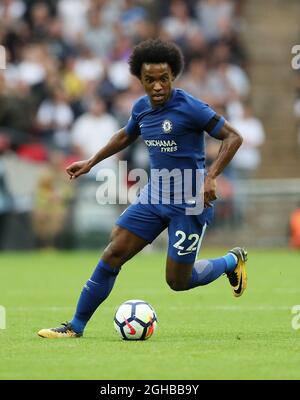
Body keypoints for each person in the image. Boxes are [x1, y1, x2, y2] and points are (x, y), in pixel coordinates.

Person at [38, 39, 248, 339]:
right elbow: (125, 135)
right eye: (150, 80)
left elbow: (233, 137)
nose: (158, 86)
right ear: (140, 80)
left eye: (164, 79)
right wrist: (91, 161)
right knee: (113, 253)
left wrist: (211, 176)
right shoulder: (141, 108)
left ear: (173, 76)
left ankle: (231, 261)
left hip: (189, 201)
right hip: (155, 195)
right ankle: (75, 326)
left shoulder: (191, 107)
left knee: (177, 281)